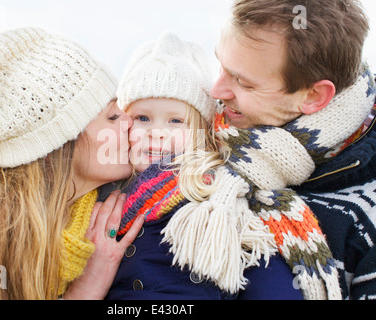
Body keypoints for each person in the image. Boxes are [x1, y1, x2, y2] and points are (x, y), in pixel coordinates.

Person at [102, 31, 330, 300]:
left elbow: (264, 270)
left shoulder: (219, 194)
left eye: (175, 121)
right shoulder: (104, 193)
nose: (157, 132)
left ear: (202, 131)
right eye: (143, 118)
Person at [0, 27, 144, 300]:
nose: (130, 122)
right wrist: (86, 290)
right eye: (113, 116)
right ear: (56, 147)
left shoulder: (106, 206)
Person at [198, 0, 375, 300]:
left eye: (242, 81)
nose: (216, 91)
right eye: (221, 65)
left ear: (314, 95)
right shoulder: (190, 127)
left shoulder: (366, 217)